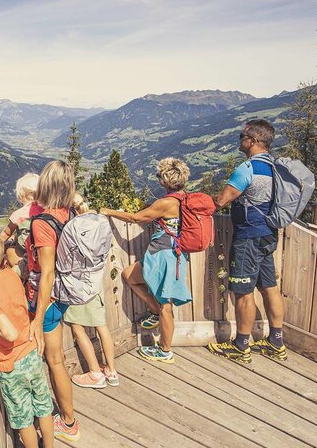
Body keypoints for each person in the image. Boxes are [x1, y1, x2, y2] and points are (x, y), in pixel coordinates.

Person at [206, 119, 287, 364]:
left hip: (248, 237)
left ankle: (241, 345)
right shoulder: (275, 167)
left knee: (243, 292)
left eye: (242, 136)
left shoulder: (248, 168)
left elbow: (221, 201)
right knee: (269, 287)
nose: (240, 139)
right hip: (268, 235)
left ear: (252, 141)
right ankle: (276, 342)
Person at [101, 157, 192, 364]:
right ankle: (153, 310)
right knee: (129, 275)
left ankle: (165, 350)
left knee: (165, 306)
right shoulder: (184, 198)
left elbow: (135, 218)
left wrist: (108, 212)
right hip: (175, 255)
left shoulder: (165, 203)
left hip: (163, 256)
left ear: (165, 180)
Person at [0, 233, 54, 448]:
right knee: (43, 405)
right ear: (1, 260)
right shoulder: (11, 275)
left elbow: (9, 334)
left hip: (11, 363)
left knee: (23, 418)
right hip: (32, 351)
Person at [26, 160, 79, 442]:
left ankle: (54, 422)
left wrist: (37, 317)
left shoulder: (42, 224)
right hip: (63, 295)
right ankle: (68, 420)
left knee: (50, 361)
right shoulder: (68, 213)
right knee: (56, 360)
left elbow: (46, 273)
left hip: (45, 300)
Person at [65, 194, 119, 388]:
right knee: (101, 326)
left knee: (77, 327)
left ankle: (95, 374)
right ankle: (111, 371)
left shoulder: (72, 228)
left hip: (78, 284)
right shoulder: (98, 222)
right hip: (96, 282)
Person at [0, 173, 42, 279]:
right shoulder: (46, 211)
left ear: (22, 196)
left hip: (26, 255)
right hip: (41, 252)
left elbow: (6, 233)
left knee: (8, 251)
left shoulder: (20, 214)